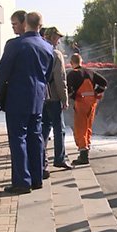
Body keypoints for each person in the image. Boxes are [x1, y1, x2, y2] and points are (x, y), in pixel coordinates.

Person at [0, 11, 53, 194]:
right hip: (37, 97)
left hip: (17, 97)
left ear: (26, 23)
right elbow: (48, 74)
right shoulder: (47, 47)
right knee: (35, 137)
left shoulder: (14, 45)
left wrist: (1, 97)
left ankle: (22, 181)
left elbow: (3, 73)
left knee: (18, 138)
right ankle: (37, 178)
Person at [66, 53, 107, 165]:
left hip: (81, 103)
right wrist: (96, 92)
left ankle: (83, 156)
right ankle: (86, 150)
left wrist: (73, 97)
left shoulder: (72, 74)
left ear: (71, 63)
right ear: (81, 61)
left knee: (80, 129)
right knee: (88, 127)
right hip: (92, 103)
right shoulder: (90, 72)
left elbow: (69, 90)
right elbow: (104, 82)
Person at [42, 27, 72, 171]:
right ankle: (59, 158)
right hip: (53, 96)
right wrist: (64, 99)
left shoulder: (39, 50)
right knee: (59, 129)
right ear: (53, 38)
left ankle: (41, 161)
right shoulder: (56, 54)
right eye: (58, 38)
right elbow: (60, 79)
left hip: (40, 96)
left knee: (43, 129)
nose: (59, 40)